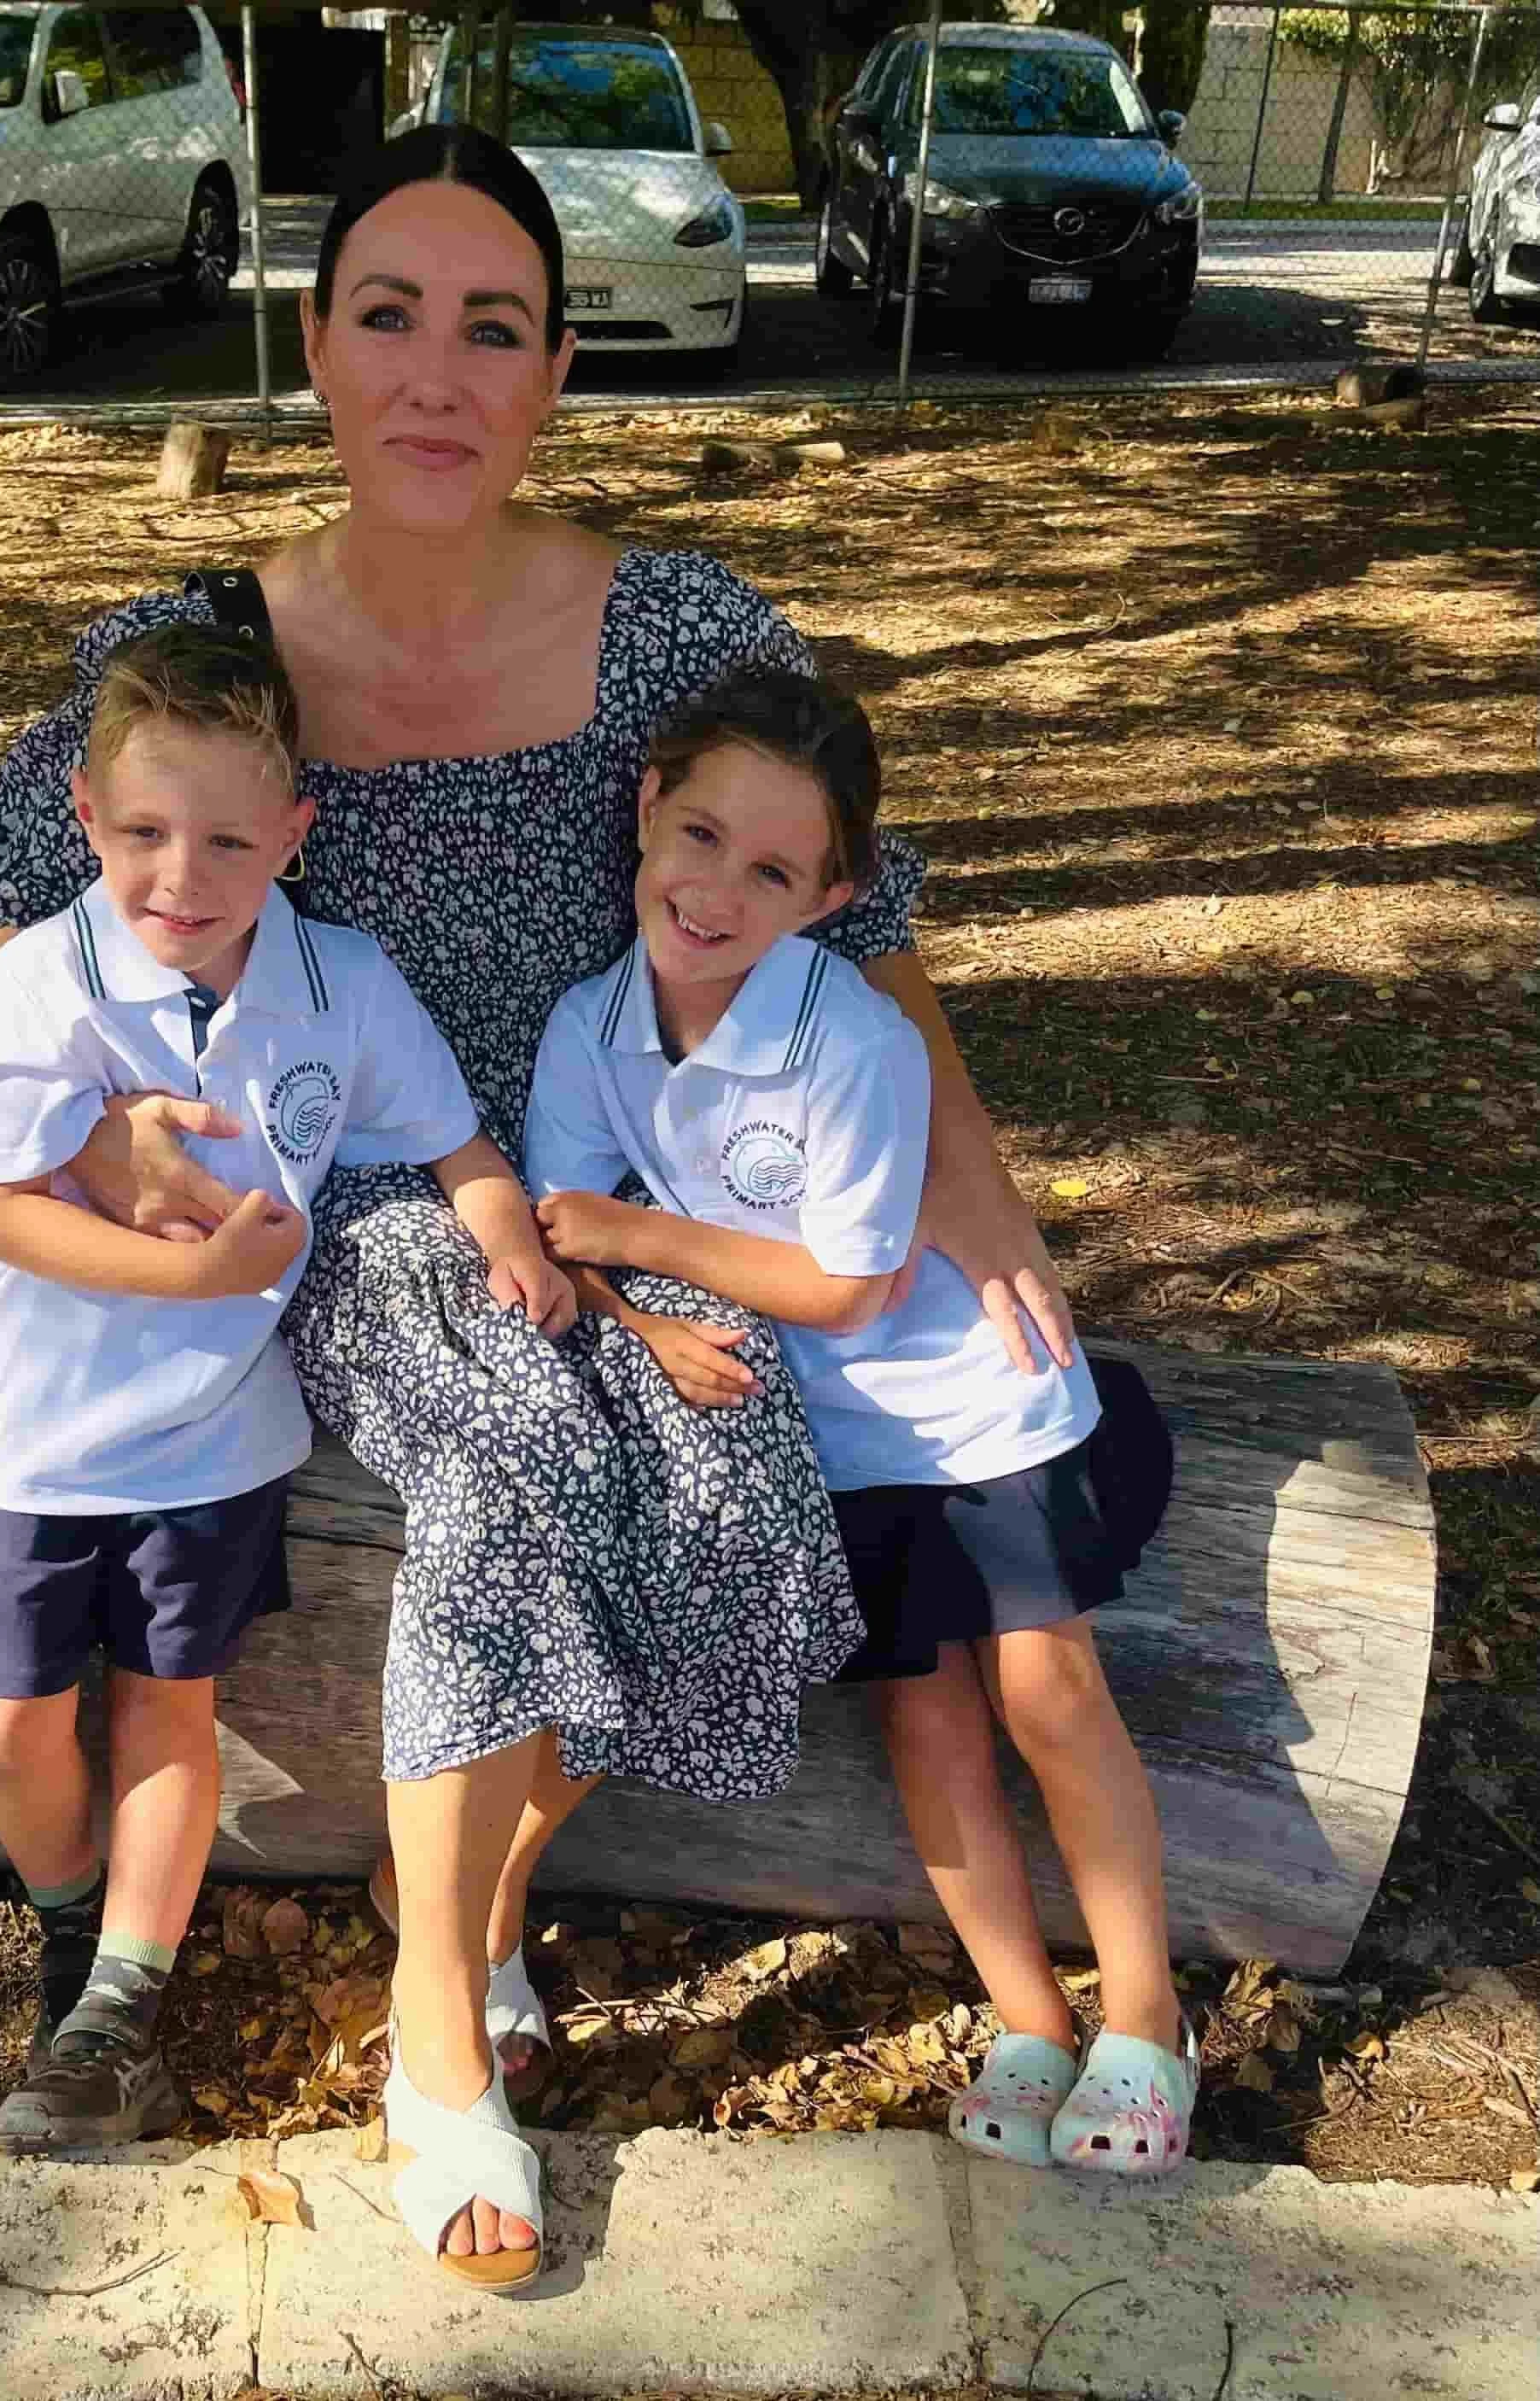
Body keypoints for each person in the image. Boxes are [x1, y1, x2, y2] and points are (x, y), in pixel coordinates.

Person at [0, 125, 1077, 2280]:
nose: (437, 374)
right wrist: (104, 1137)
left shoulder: (676, 627)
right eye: (388, 317)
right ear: (316, 345)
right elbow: (19, 893)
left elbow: (865, 920)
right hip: (334, 1201)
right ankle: (436, 2027)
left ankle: (436, 1880)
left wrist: (979, 1185)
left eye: (491, 328)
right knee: (518, 1449)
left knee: (739, 1464)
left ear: (554, 367)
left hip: (611, 1197)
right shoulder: (201, 641)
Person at [526, 667, 1193, 2181]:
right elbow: (571, 1226)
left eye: (771, 871)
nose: (714, 892)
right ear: (646, 808)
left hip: (970, 1408)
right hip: (818, 1443)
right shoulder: (590, 1026)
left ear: (835, 893)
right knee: (925, 1708)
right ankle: (1027, 2018)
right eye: (696, 836)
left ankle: (1147, 2018)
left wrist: (644, 1247)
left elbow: (846, 1284)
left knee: (1042, 1687)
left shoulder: (859, 1044)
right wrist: (638, 1314)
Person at [0, 622, 572, 2155]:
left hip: (222, 1437)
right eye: (146, 833)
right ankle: (63, 1911)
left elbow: (453, 1139)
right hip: (35, 1435)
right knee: (13, 1725)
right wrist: (193, 1277)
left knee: (174, 1705)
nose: (183, 875)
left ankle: (118, 2001)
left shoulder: (339, 982)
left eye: (229, 837)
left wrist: (514, 1252)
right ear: (85, 817)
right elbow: (2, 1204)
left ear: (294, 835)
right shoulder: (43, 978)